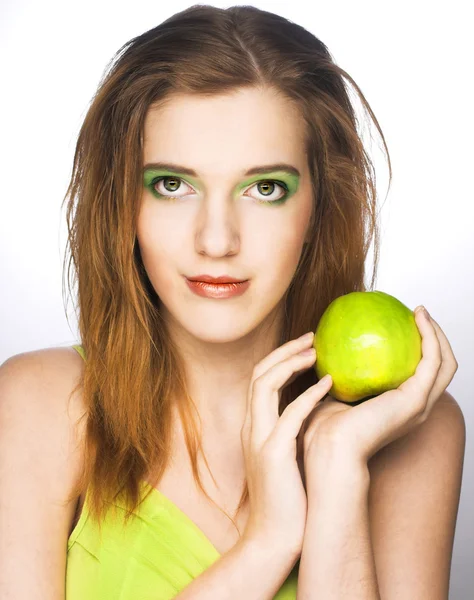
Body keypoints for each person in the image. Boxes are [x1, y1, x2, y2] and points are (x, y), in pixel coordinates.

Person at [0, 5, 465, 600]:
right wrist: (267, 543)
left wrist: (337, 468)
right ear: (123, 204)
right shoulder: (44, 404)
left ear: (319, 208)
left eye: (264, 188)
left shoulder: (410, 429)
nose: (216, 240)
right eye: (173, 184)